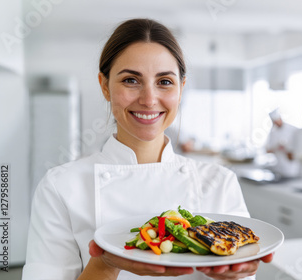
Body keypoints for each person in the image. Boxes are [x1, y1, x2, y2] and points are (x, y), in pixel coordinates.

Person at [22, 19, 272, 280]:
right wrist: (105, 264)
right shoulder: (61, 187)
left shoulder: (220, 183)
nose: (149, 99)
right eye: (131, 80)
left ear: (181, 88)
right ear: (105, 86)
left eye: (164, 82)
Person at [265, 108, 299, 177]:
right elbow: (268, 150)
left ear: (280, 118)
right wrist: (277, 148)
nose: (276, 123)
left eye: (277, 121)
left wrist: (288, 148)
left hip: (291, 167)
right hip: (278, 166)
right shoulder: (273, 132)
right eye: (274, 122)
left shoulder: (293, 129)